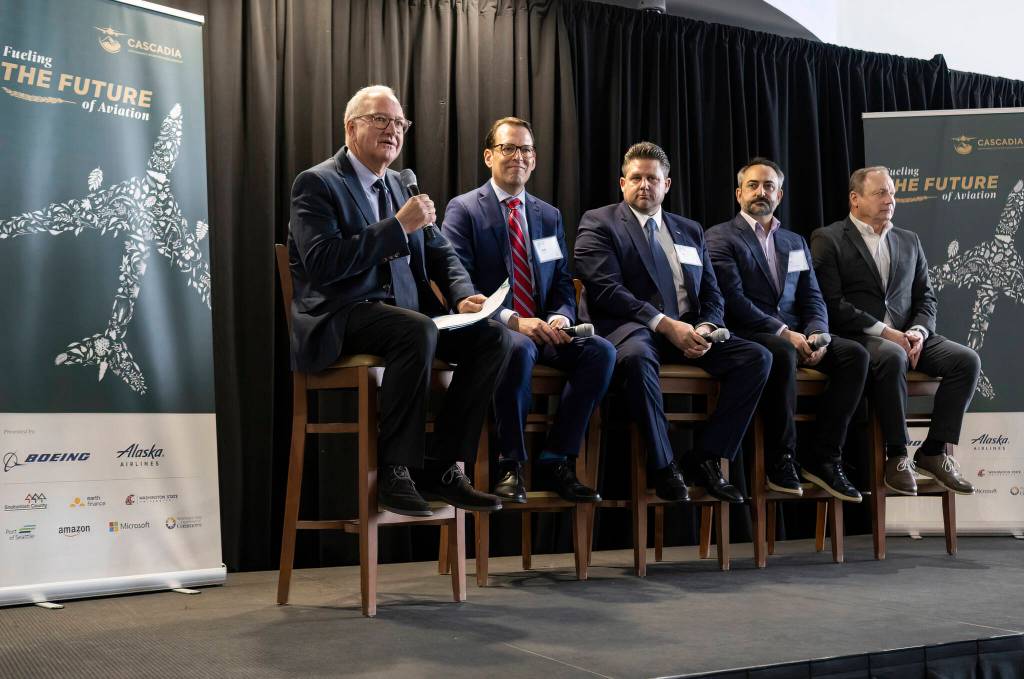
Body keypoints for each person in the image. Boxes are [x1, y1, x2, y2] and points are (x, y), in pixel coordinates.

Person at [286, 85, 511, 516]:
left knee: (493, 338)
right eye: (381, 120)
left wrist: (466, 297)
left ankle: (445, 467)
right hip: (342, 314)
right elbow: (322, 263)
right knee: (416, 329)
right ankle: (396, 472)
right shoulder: (317, 183)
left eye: (400, 123)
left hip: (407, 320)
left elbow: (443, 253)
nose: (393, 131)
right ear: (351, 128)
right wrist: (396, 227)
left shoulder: (401, 184)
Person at [574, 141, 771, 503]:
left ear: (667, 185)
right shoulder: (599, 222)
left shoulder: (689, 230)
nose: (644, 185)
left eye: (653, 178)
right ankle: (664, 466)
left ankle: (706, 456)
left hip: (689, 332)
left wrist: (707, 328)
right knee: (636, 358)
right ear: (622, 183)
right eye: (636, 178)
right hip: (631, 330)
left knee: (757, 358)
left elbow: (712, 292)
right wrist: (665, 325)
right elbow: (606, 289)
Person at [443, 117, 614, 504]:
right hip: (494, 329)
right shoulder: (464, 209)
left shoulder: (548, 215)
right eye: (508, 148)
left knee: (601, 352)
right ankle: (511, 464)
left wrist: (560, 316)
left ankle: (557, 460)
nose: (518, 157)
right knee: (515, 348)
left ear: (534, 160)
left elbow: (561, 282)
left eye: (526, 150)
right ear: (489, 156)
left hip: (546, 330)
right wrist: (512, 320)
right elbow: (460, 284)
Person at [706, 158, 868, 502]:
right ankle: (783, 459)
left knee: (854, 355)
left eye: (768, 186)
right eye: (753, 185)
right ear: (739, 193)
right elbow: (733, 300)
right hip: (751, 333)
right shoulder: (719, 237)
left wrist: (817, 333)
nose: (760, 192)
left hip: (799, 334)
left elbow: (813, 296)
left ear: (779, 194)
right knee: (779, 353)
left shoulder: (795, 242)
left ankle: (825, 457)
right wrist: (784, 332)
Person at [811, 166, 978, 496]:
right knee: (891, 356)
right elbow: (830, 302)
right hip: (860, 337)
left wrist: (917, 331)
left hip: (910, 336)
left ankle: (933, 451)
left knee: (966, 360)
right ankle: (897, 455)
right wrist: (887, 333)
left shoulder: (908, 239)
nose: (890, 200)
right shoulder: (827, 238)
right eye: (880, 193)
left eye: (892, 193)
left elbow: (926, 297)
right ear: (855, 199)